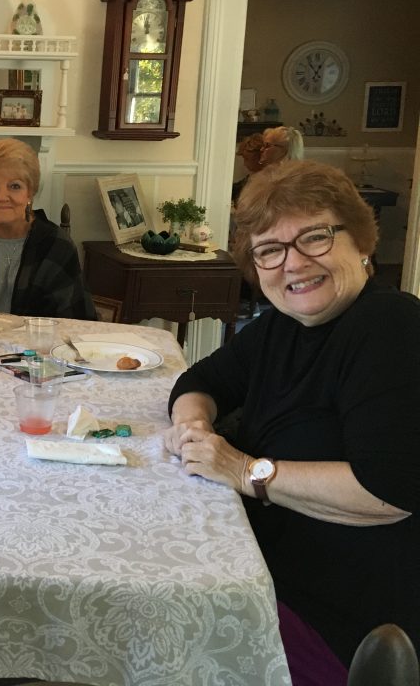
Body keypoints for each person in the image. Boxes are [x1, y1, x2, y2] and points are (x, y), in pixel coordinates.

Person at [164, 160, 419, 682]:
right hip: (260, 574)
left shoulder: (391, 326)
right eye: (270, 250)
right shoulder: (282, 326)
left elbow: (388, 493)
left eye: (315, 238)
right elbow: (198, 382)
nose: (294, 264)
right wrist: (194, 429)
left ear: (362, 241)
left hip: (340, 620)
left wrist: (243, 470)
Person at [0, 138, 96, 320]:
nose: (2, 197)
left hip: (37, 346)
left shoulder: (57, 245)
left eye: (14, 186)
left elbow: (73, 321)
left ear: (30, 192)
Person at [232, 132, 265, 202]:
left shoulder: (265, 181)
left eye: (246, 159)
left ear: (259, 157)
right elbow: (235, 189)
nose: (244, 164)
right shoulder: (251, 176)